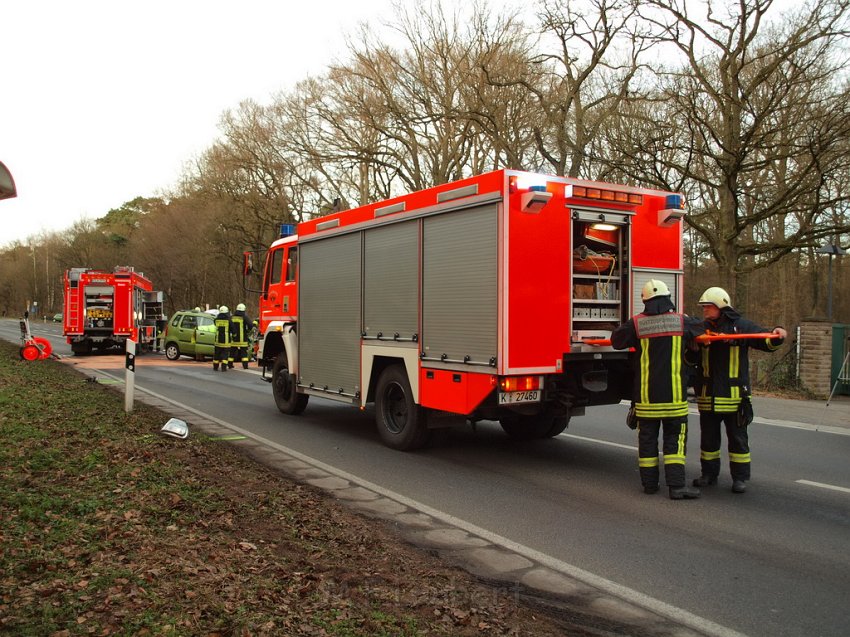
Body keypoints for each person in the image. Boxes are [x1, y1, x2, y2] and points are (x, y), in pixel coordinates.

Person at [612, 279, 705, 500]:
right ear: (668, 298)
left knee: (647, 442)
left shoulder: (637, 323)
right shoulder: (683, 322)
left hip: (646, 399)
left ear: (645, 301)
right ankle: (676, 487)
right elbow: (704, 328)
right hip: (674, 399)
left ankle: (650, 485)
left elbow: (616, 341)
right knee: (674, 442)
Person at [693, 287, 787, 494]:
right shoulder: (700, 328)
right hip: (708, 396)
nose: (705, 311)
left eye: (708, 307)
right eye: (704, 307)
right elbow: (690, 358)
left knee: (738, 439)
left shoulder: (740, 326)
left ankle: (740, 478)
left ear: (720, 306)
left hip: (735, 397)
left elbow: (765, 341)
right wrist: (694, 348)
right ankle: (708, 475)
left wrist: (778, 334)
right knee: (708, 440)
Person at [230, 303, 252, 369]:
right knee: (244, 353)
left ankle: (230, 365)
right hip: (242, 339)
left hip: (234, 339)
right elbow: (250, 325)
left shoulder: (232, 317)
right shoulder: (245, 317)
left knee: (232, 353)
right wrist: (248, 331)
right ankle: (245, 366)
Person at [213, 305, 232, 372]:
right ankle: (223, 368)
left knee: (216, 355)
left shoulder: (216, 320)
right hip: (226, 342)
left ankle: (215, 367)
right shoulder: (229, 320)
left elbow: (215, 323)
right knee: (225, 355)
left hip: (217, 341)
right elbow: (233, 329)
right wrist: (234, 335)